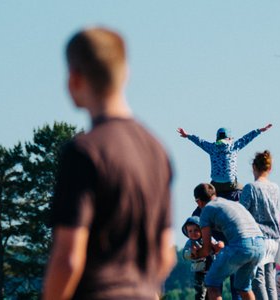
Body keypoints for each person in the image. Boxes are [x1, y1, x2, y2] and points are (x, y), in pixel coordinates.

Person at [42, 27, 176, 300]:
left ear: (74, 79)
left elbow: (68, 259)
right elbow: (165, 254)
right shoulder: (157, 150)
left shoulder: (83, 152)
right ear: (125, 74)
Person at [193, 183, 265, 300]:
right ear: (214, 194)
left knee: (211, 282)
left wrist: (196, 254)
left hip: (242, 245)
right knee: (243, 287)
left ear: (198, 201)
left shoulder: (206, 210)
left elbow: (205, 251)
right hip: (260, 244)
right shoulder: (232, 204)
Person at [177, 124, 272, 200]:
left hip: (215, 185)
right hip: (231, 184)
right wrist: (259, 130)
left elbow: (199, 141)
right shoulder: (234, 147)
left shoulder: (212, 148)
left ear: (217, 138)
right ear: (230, 139)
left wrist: (187, 135)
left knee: (208, 190)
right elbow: (247, 138)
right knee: (243, 190)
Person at [240, 150, 280, 300]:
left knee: (258, 281)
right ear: (269, 169)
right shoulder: (275, 188)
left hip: (258, 238)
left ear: (254, 167)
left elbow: (241, 213)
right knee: (270, 281)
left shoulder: (250, 188)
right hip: (275, 238)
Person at [182, 216, 225, 300]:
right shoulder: (190, 243)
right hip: (200, 272)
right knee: (201, 293)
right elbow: (184, 254)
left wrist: (219, 245)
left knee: (213, 293)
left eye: (196, 230)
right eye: (190, 231)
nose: (193, 233)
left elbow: (217, 245)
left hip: (213, 271)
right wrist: (191, 253)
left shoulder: (208, 238)